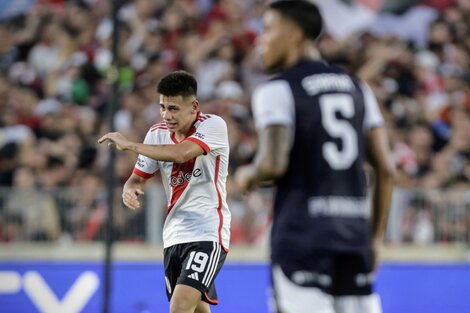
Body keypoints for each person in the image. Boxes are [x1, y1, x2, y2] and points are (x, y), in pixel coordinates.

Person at [235, 1, 396, 313]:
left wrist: (246, 176)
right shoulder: (357, 87)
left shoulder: (277, 90)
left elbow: (272, 164)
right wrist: (375, 239)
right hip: (353, 238)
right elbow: (386, 169)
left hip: (301, 238)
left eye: (268, 29)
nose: (260, 39)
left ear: (295, 34)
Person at [98, 70, 231, 313]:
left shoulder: (214, 125)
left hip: (208, 231)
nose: (166, 115)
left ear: (194, 106)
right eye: (162, 107)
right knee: (198, 309)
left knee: (179, 307)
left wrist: (129, 145)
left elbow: (181, 153)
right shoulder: (156, 134)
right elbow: (137, 179)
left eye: (173, 109)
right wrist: (130, 189)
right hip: (173, 235)